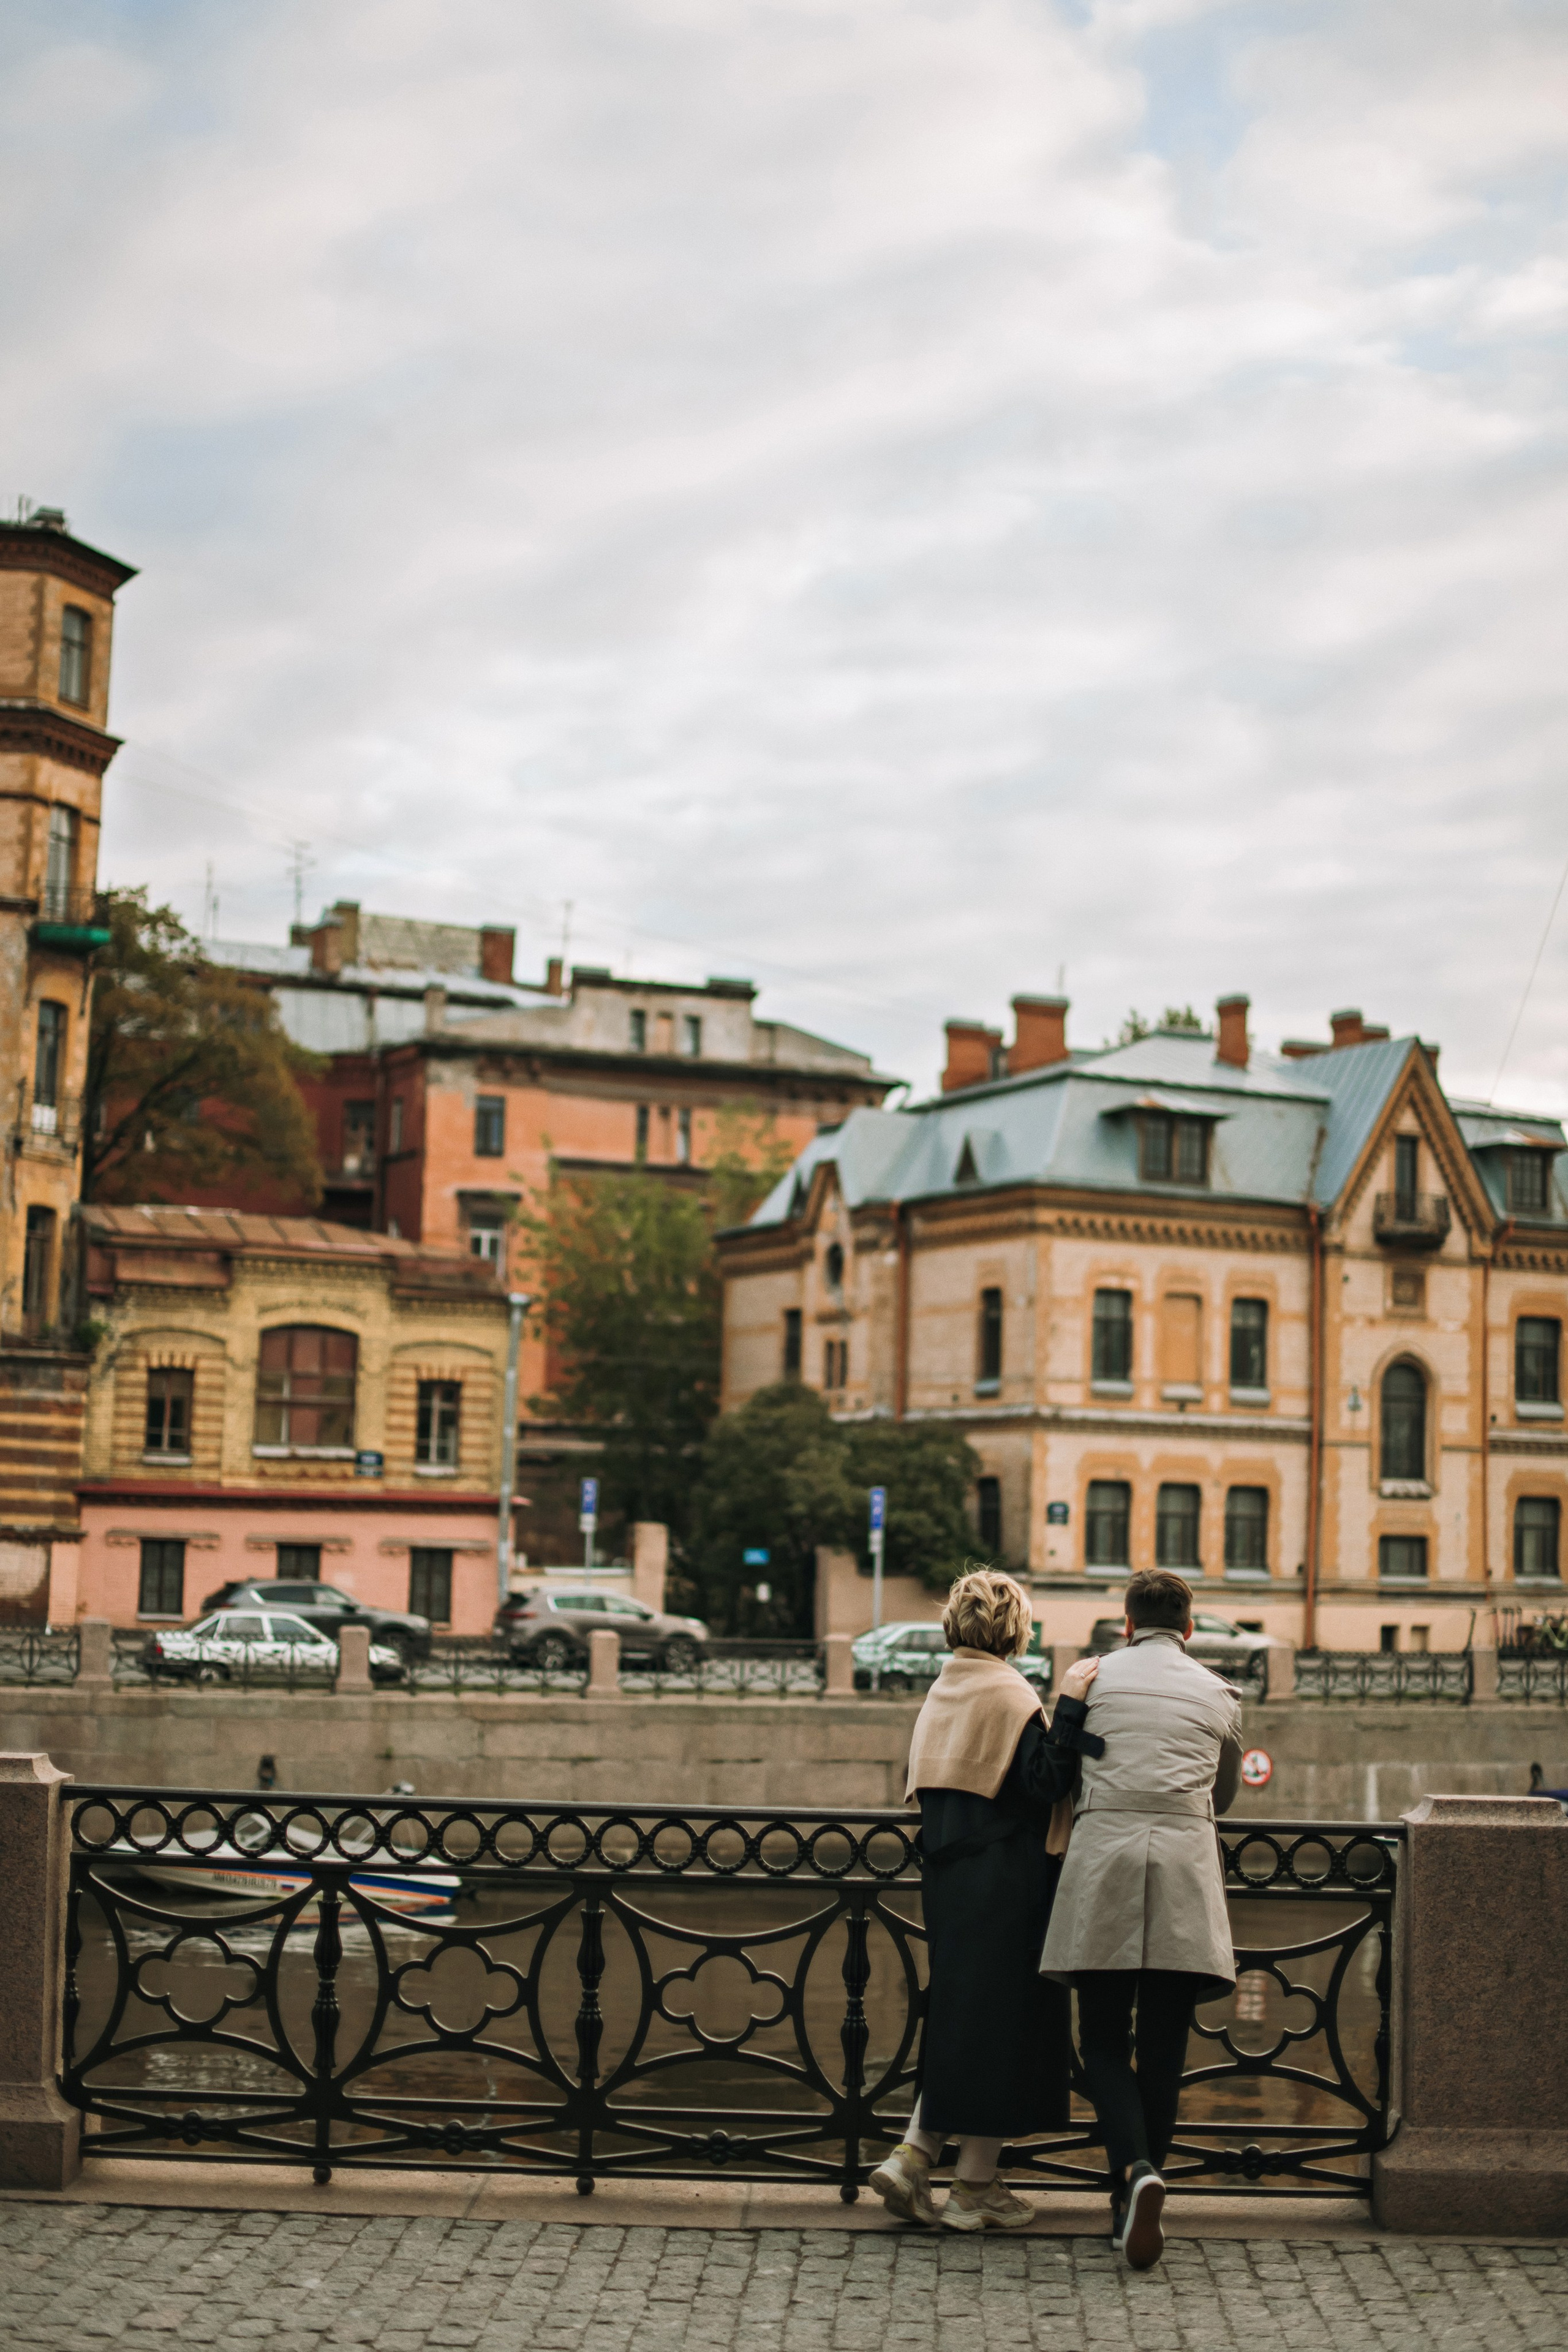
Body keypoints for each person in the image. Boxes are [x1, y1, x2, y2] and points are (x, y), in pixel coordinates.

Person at [870, 1567, 1104, 2232]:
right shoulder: (1009, 1693)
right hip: (1010, 1881)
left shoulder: (943, 1690)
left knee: (965, 2019)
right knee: (1010, 2027)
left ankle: (927, 2162)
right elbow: (1044, 1782)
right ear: (1014, 1629)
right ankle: (969, 2187)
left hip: (948, 1881)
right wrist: (1070, 1706)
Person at [1040, 1567, 1242, 2270]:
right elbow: (1225, 1792)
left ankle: (1131, 2175)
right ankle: (1139, 2191)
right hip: (1185, 1871)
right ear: (1188, 1628)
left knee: (1099, 2039)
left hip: (1106, 1866)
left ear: (1125, 1624)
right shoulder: (1217, 1692)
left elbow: (1057, 1772)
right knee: (1163, 2050)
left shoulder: (1092, 1679)